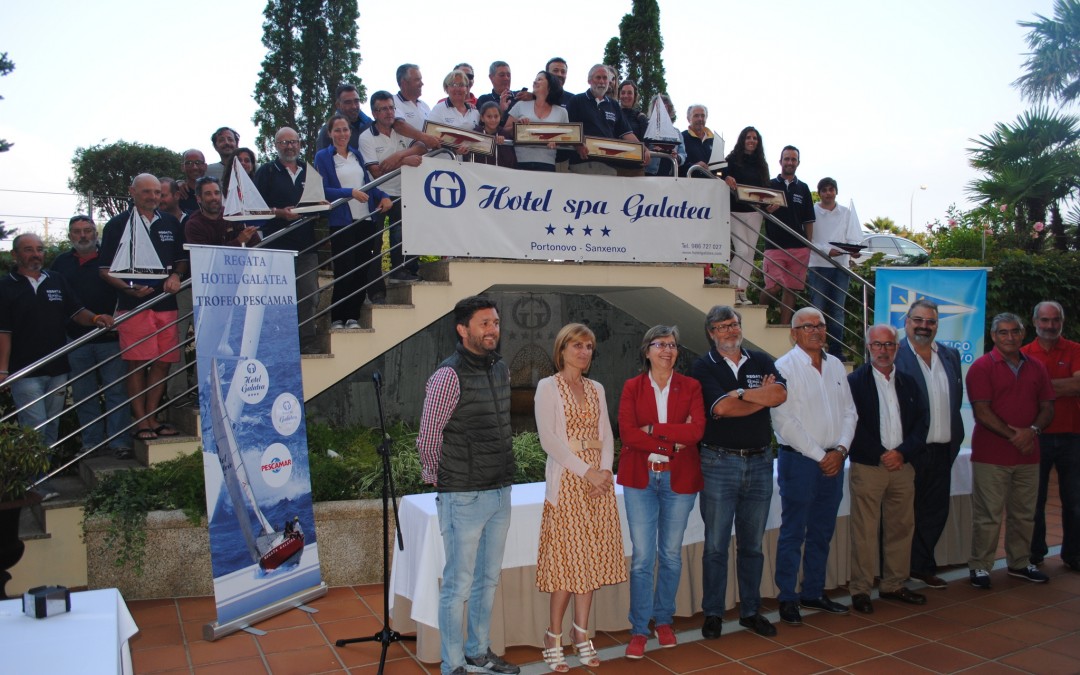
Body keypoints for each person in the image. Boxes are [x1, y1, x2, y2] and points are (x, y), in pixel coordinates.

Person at [416, 296, 519, 675]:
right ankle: (453, 664)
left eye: (495, 322)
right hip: (464, 495)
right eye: (484, 324)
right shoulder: (448, 375)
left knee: (487, 580)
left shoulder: (500, 368)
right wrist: (439, 481)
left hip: (499, 490)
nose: (493, 330)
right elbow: (428, 436)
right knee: (458, 584)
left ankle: (478, 652)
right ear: (463, 329)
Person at [691, 305, 786, 639]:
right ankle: (714, 613)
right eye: (721, 327)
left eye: (733, 324)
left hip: (761, 462)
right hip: (719, 464)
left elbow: (780, 394)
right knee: (716, 545)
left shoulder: (761, 360)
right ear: (711, 333)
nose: (729, 331)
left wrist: (744, 393)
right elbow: (722, 408)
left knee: (753, 545)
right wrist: (760, 397)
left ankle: (750, 611)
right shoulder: (703, 366)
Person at [534, 323, 625, 672]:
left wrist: (603, 473)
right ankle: (553, 635)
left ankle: (581, 634)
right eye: (577, 346)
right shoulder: (547, 387)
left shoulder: (596, 387)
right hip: (569, 483)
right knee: (569, 568)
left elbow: (607, 434)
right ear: (562, 350)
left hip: (597, 484)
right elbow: (550, 441)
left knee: (590, 563)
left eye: (589, 347)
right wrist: (586, 472)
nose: (584, 352)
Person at [0, 233, 115, 492]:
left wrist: (96, 318)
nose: (35, 254)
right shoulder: (5, 286)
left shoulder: (56, 280)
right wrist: (3, 370)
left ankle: (40, 479)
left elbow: (77, 312)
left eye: (39, 249)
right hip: (25, 371)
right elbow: (3, 333)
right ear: (15, 255)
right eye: (28, 250)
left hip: (58, 368)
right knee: (35, 428)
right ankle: (33, 483)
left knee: (51, 427)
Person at [616, 325, 705, 658]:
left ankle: (664, 620)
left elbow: (696, 431)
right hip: (642, 480)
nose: (667, 350)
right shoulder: (632, 387)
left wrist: (653, 430)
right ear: (647, 351)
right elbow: (628, 434)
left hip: (678, 481)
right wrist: (671, 442)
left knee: (669, 554)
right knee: (642, 558)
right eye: (660, 344)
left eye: (672, 345)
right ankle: (639, 629)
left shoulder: (691, 386)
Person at [770, 307, 856, 625]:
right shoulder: (783, 367)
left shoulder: (835, 365)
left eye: (820, 325)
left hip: (835, 459)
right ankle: (788, 598)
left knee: (822, 530)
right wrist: (822, 456)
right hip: (801, 462)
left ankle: (814, 592)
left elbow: (850, 412)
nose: (816, 331)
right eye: (807, 326)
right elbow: (784, 421)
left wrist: (842, 449)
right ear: (794, 333)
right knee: (794, 531)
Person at [967, 312, 1055, 588]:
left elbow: (1047, 406)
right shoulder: (981, 367)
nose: (1009, 337)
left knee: (1024, 513)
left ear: (1022, 334)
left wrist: (1033, 432)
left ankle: (1019, 563)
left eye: (1014, 331)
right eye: (1002, 332)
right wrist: (1015, 435)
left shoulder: (1037, 367)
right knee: (989, 515)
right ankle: (980, 567)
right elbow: (982, 411)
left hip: (1029, 454)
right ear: (994, 336)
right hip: (991, 456)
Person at [846, 324, 928, 614]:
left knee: (901, 527)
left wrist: (902, 453)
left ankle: (894, 584)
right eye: (877, 345)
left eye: (889, 345)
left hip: (903, 466)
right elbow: (852, 425)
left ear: (897, 348)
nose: (883, 350)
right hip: (869, 466)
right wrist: (883, 455)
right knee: (865, 530)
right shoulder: (853, 382)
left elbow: (922, 422)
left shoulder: (908, 382)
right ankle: (861, 589)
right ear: (868, 347)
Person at [98, 174, 187, 441]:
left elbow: (182, 260)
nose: (153, 197)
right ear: (132, 192)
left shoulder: (171, 223)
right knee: (137, 364)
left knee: (163, 362)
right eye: (147, 192)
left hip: (165, 304)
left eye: (157, 192)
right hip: (132, 306)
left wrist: (176, 277)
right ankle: (140, 421)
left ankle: (151, 416)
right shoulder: (117, 224)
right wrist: (127, 288)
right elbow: (104, 270)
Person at [895, 298, 965, 588]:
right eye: (918, 320)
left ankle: (921, 565)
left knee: (934, 511)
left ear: (937, 325)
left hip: (943, 448)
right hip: (910, 451)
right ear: (906, 322)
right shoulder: (893, 355)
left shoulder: (950, 356)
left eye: (931, 321)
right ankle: (895, 571)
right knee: (902, 515)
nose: (924, 326)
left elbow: (955, 400)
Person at [51, 216, 132, 460]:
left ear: (95, 234)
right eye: (77, 232)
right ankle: (92, 443)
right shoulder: (60, 263)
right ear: (70, 235)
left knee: (117, 392)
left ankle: (120, 442)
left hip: (110, 338)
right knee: (84, 395)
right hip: (76, 341)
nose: (83, 236)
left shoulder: (110, 259)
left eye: (87, 231)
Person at [313, 113, 393, 326]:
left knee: (361, 271)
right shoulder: (323, 157)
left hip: (365, 220)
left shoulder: (357, 155)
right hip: (341, 222)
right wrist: (350, 192)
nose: (342, 134)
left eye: (345, 129)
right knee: (344, 270)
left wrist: (384, 197)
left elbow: (369, 186)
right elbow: (322, 190)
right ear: (330, 133)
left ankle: (353, 316)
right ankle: (338, 317)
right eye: (337, 130)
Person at [1021, 301, 1080, 571]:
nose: (1050, 325)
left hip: (1072, 435)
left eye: (1055, 320)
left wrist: (1040, 387)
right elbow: (1020, 391)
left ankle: (1074, 554)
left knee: (1075, 500)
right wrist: (1064, 386)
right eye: (1045, 320)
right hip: (1038, 436)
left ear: (1062, 322)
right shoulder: (1023, 353)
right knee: (1035, 499)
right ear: (1034, 322)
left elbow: (1078, 385)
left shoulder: (1075, 350)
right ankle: (1035, 553)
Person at [252, 127, 321, 354]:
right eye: (284, 142)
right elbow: (255, 208)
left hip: (306, 245)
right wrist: (281, 213)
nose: (289, 146)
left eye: (293, 142)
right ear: (276, 145)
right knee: (277, 298)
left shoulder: (309, 171)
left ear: (299, 144)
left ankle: (307, 341)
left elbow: (319, 200)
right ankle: (279, 344)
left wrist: (317, 210)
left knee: (308, 294)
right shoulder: (266, 171)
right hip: (276, 246)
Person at [359, 90, 426, 282]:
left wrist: (398, 155)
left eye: (391, 108)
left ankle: (404, 273)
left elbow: (422, 146)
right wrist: (405, 161)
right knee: (377, 242)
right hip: (380, 194)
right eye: (383, 109)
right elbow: (376, 172)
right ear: (374, 113)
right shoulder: (366, 137)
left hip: (406, 190)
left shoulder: (401, 129)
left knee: (405, 235)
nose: (389, 113)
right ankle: (376, 287)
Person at [807, 177, 863, 360]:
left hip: (841, 267)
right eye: (824, 190)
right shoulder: (812, 211)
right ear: (820, 192)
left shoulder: (846, 212)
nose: (828, 193)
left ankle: (836, 352)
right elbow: (809, 240)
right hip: (818, 265)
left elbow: (854, 238)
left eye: (831, 189)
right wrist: (827, 251)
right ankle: (815, 350)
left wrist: (854, 250)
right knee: (817, 310)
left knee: (837, 311)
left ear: (836, 192)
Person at [566, 64, 649, 175]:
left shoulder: (613, 105)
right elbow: (569, 130)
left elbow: (627, 133)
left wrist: (643, 149)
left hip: (610, 165)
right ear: (589, 80)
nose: (602, 81)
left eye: (605, 78)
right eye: (598, 77)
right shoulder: (576, 100)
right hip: (583, 163)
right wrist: (578, 144)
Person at [764, 146, 815, 326]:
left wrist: (809, 244)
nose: (790, 162)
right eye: (786, 159)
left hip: (799, 247)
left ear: (798, 163)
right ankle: (758, 315)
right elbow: (760, 211)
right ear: (780, 161)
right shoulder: (769, 184)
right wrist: (767, 211)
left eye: (793, 159)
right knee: (773, 286)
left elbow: (809, 220)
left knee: (791, 290)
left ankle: (784, 327)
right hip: (774, 246)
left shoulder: (803, 188)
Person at [719, 127, 770, 306]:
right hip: (735, 211)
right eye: (748, 137)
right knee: (742, 251)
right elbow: (720, 175)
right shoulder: (731, 159)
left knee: (750, 254)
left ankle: (743, 291)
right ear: (742, 139)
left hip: (755, 213)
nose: (751, 140)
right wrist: (726, 178)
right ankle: (732, 290)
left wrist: (765, 203)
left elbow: (765, 189)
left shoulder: (762, 164)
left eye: (755, 138)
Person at [506, 71, 569, 172]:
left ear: (550, 86)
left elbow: (568, 138)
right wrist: (518, 124)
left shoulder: (562, 112)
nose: (534, 82)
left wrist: (558, 141)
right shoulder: (520, 105)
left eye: (539, 79)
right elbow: (505, 131)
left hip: (547, 164)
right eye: (535, 80)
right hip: (519, 163)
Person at [184, 176, 261, 247]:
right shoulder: (194, 225)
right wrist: (239, 242)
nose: (214, 197)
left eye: (217, 193)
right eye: (208, 194)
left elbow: (257, 245)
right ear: (198, 198)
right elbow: (207, 257)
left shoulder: (235, 216)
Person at [315, 83, 375, 152]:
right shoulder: (328, 131)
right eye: (348, 102)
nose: (354, 106)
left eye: (356, 101)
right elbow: (322, 160)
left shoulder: (371, 125)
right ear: (338, 105)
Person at [472, 101, 516, 168]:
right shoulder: (476, 133)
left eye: (496, 116)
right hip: (480, 175)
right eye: (489, 116)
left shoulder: (505, 134)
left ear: (500, 117)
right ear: (482, 118)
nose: (493, 120)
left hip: (500, 175)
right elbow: (470, 157)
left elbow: (511, 161)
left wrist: (503, 145)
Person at [679, 104, 714, 177]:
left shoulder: (715, 140)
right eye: (696, 116)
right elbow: (677, 165)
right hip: (688, 185)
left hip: (713, 185)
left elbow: (721, 166)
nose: (700, 119)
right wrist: (694, 166)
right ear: (688, 119)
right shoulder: (681, 137)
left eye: (703, 116)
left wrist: (726, 176)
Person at [176, 149, 207, 214]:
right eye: (189, 163)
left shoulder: (214, 193)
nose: (194, 167)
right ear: (182, 167)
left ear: (205, 166)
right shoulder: (177, 195)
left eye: (198, 162)